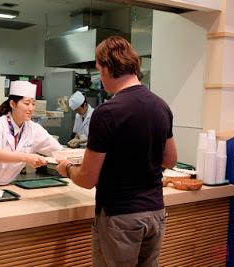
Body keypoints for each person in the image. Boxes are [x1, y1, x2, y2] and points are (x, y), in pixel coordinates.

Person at [56, 36, 177, 267]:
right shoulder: (161, 105)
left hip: (120, 217)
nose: (101, 80)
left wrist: (67, 169)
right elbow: (170, 159)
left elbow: (88, 179)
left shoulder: (107, 112)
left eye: (100, 72)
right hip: (155, 212)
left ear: (109, 68)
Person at [0, 80, 63, 188]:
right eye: (26, 103)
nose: (31, 108)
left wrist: (76, 157)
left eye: (33, 104)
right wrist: (27, 157)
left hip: (4, 185)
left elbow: (58, 151)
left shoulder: (33, 129)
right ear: (12, 104)